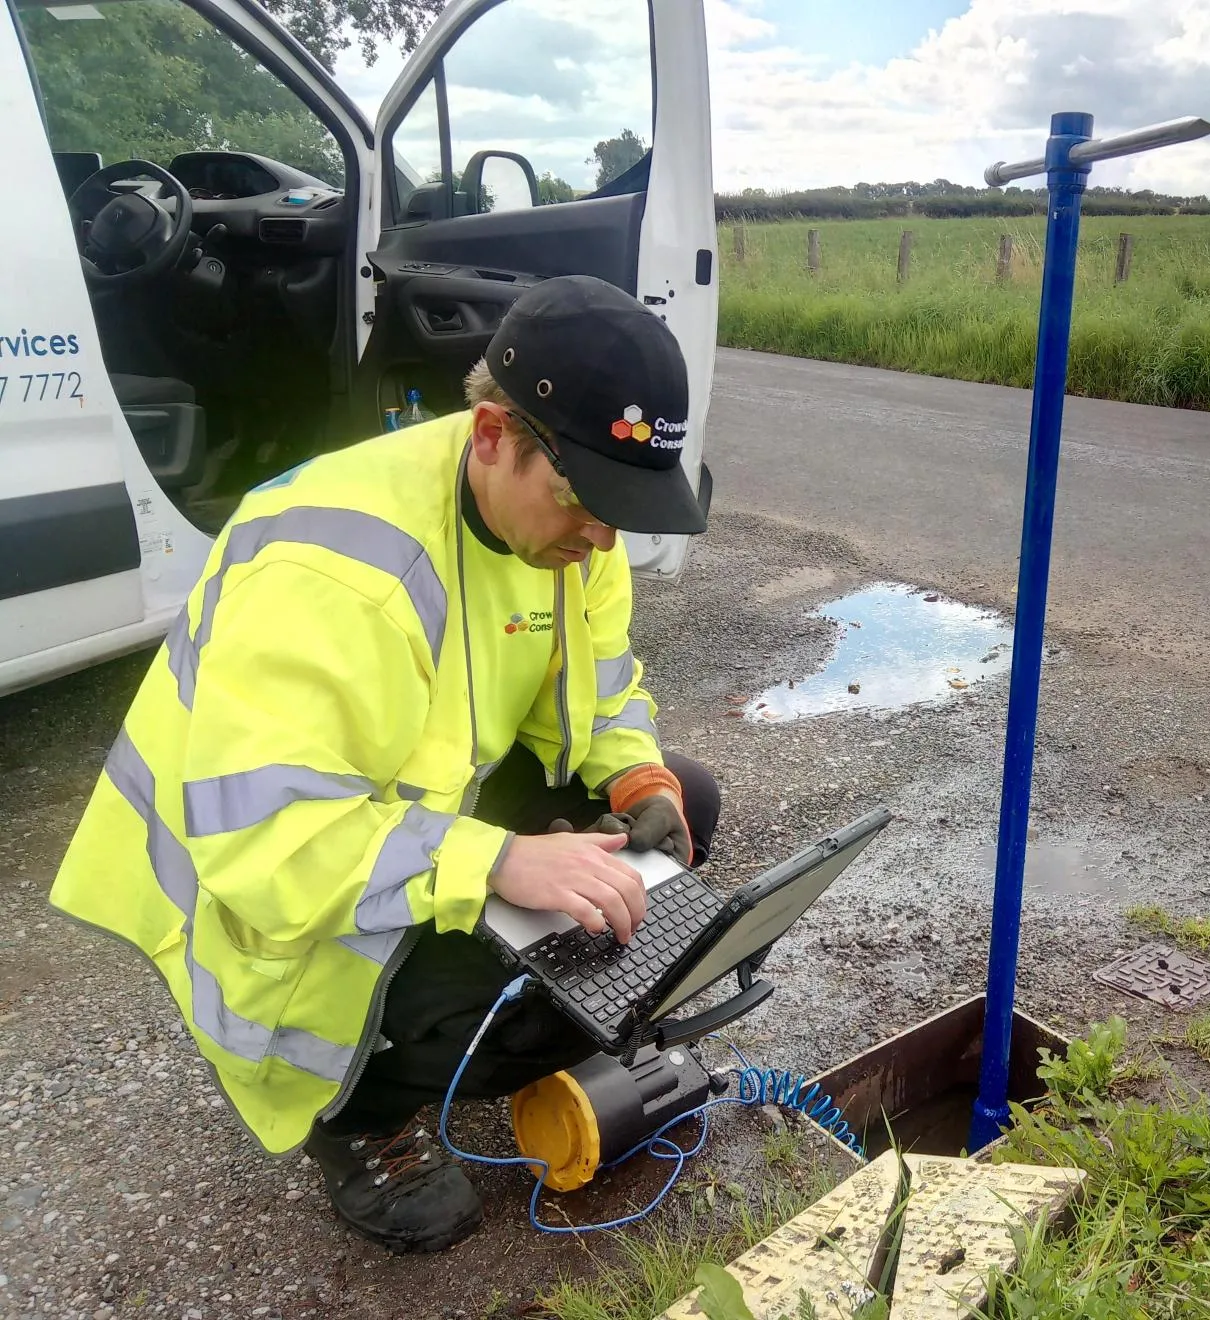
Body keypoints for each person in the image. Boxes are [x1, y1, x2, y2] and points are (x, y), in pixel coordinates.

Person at [50, 276, 717, 1253]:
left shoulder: (570, 524)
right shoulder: (336, 573)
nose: (606, 536)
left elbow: (599, 690)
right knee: (531, 998)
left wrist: (637, 781)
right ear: (490, 433)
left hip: (393, 813)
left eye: (626, 504)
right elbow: (266, 842)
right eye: (585, 499)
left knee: (685, 800)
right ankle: (359, 1119)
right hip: (256, 900)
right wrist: (494, 864)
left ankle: (510, 1009)